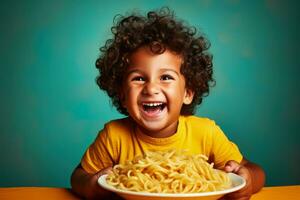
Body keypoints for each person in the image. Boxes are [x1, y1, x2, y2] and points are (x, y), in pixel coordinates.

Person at [71, 7, 265, 200]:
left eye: (165, 77)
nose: (151, 88)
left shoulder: (206, 133)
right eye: (138, 78)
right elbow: (78, 177)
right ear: (122, 94)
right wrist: (91, 186)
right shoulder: (113, 136)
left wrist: (246, 181)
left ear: (188, 93)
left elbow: (254, 171)